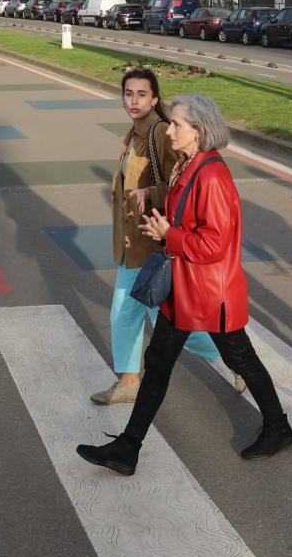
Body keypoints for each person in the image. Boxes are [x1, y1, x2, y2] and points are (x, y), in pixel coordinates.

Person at [77, 94, 292, 475]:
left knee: (240, 357)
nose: (170, 129)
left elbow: (213, 244)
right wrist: (163, 230)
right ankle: (128, 449)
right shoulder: (189, 165)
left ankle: (278, 427)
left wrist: (170, 235)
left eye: (178, 124)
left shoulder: (212, 176)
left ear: (200, 132)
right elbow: (188, 227)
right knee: (159, 363)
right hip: (185, 288)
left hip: (209, 294)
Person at [90, 67, 235, 406]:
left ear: (155, 98)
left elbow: (180, 180)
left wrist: (148, 195)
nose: (134, 100)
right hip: (135, 241)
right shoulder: (135, 133)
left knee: (143, 315)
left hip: (152, 242)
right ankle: (130, 380)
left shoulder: (158, 133)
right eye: (128, 93)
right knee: (153, 317)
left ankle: (234, 357)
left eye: (142, 94)